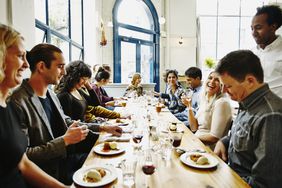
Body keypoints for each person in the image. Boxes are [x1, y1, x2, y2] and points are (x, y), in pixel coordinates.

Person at [10, 43, 121, 184]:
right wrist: (65, 140)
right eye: (60, 66)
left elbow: (67, 121)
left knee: (112, 165)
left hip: (65, 161)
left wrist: (103, 128)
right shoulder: (17, 101)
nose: (64, 72)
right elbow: (25, 156)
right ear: (42, 67)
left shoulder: (50, 94)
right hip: (48, 174)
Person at [0, 24, 66, 187]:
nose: (27, 65)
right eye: (21, 56)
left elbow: (21, 162)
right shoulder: (16, 101)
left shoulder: (5, 104)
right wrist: (65, 141)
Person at [214, 50, 282, 187]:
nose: (223, 91)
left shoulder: (270, 116)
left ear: (250, 81)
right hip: (229, 175)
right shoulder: (246, 101)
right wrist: (224, 142)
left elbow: (265, 183)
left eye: (228, 86)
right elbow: (245, 136)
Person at [56, 60, 123, 122]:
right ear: (74, 76)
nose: (85, 82)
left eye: (87, 79)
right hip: (80, 131)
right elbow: (69, 124)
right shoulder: (64, 95)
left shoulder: (78, 90)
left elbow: (95, 103)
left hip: (84, 128)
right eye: (83, 79)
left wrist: (89, 87)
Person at [182, 71, 232, 147]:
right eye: (210, 78)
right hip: (198, 143)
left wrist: (191, 138)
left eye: (217, 80)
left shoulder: (222, 103)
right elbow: (194, 128)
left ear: (223, 84)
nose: (212, 81)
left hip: (209, 149)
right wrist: (189, 106)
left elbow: (214, 138)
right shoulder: (206, 100)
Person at [251, 5, 282, 98]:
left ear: (273, 27)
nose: (253, 33)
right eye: (252, 28)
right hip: (255, 108)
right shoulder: (251, 54)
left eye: (258, 28)